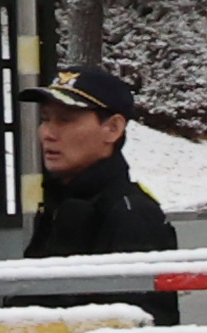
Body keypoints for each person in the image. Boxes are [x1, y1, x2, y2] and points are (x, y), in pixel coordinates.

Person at [27, 63, 186, 259]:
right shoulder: (57, 202)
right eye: (44, 119)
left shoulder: (131, 214)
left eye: (65, 120)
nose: (47, 133)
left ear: (113, 128)